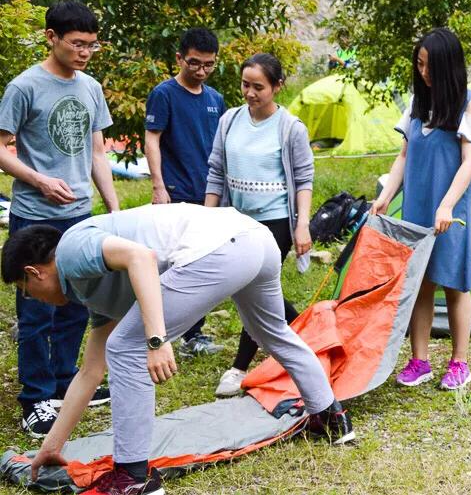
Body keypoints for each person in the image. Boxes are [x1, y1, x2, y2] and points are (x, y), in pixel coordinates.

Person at [2, 204, 353, 495]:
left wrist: (156, 340)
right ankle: (330, 416)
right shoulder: (91, 286)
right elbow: (91, 372)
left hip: (221, 248)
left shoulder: (71, 250)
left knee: (126, 346)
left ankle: (132, 478)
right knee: (273, 332)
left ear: (35, 272)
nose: (33, 298)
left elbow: (141, 257)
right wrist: (52, 446)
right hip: (255, 241)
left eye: (25, 289)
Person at [0, 0, 118, 438]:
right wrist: (39, 180)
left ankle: (66, 380)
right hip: (35, 217)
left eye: (92, 45)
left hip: (80, 215)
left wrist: (113, 207)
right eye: (77, 43)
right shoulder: (24, 87)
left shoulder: (91, 87)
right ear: (51, 37)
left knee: (78, 303)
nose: (85, 52)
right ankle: (35, 397)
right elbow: (1, 147)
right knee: (35, 311)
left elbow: (97, 152)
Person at [371, 28, 471, 391]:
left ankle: (459, 363)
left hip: (451, 211)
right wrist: (385, 194)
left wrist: (447, 205)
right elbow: (404, 155)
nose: (423, 73)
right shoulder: (417, 104)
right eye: (419, 64)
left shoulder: (469, 105)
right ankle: (419, 361)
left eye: (430, 66)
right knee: (421, 283)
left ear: (448, 67)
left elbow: (470, 161)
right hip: (418, 207)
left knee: (455, 284)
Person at [203, 53, 314, 398]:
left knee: (253, 289)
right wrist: (206, 218)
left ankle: (239, 368)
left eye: (258, 87)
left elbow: (304, 179)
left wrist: (303, 225)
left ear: (277, 86)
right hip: (236, 218)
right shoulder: (229, 121)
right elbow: (216, 171)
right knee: (253, 292)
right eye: (245, 85)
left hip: (275, 222)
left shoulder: (290, 128)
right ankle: (307, 332)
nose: (250, 93)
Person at [144, 28, 226, 359]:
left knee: (200, 264)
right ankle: (158, 332)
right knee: (169, 265)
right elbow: (152, 140)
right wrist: (158, 186)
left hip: (208, 195)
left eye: (208, 64)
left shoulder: (215, 99)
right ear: (179, 58)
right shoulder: (164, 94)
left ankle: (194, 334)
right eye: (194, 63)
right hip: (175, 192)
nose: (201, 70)